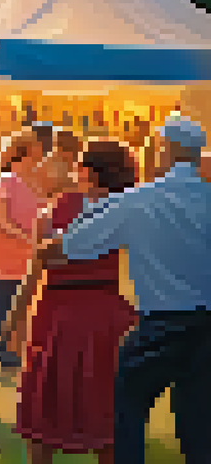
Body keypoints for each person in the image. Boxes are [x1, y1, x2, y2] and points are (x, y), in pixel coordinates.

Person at [37, 117, 211, 464]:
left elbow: (62, 251)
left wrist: (46, 239)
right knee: (199, 426)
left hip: (162, 324)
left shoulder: (139, 201)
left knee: (125, 411)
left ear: (167, 150)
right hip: (207, 326)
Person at [5, 139, 138, 464]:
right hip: (107, 312)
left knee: (43, 406)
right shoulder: (129, 209)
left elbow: (35, 270)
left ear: (87, 172)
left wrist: (14, 322)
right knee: (106, 409)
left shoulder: (55, 209)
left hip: (57, 314)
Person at [0, 127, 50, 367]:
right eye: (36, 152)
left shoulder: (25, 182)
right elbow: (0, 218)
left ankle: (0, 345)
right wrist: (26, 237)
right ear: (24, 155)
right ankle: (3, 350)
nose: (40, 157)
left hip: (23, 253)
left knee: (12, 301)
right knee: (7, 302)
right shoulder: (7, 181)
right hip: (9, 253)